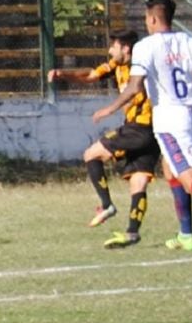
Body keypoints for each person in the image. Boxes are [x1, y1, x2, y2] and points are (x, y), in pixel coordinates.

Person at [93, 0, 192, 251]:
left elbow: (135, 85)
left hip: (168, 122)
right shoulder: (189, 41)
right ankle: (185, 234)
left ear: (151, 18)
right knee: (169, 169)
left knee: (190, 180)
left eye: (146, 19)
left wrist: (111, 107)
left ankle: (186, 232)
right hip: (190, 116)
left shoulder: (146, 47)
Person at [49, 30, 159, 248]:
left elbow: (135, 93)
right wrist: (63, 74)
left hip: (139, 128)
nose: (110, 50)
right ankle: (132, 232)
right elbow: (91, 75)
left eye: (114, 46)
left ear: (125, 48)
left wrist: (109, 110)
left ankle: (107, 205)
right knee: (138, 181)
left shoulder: (141, 66)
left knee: (91, 154)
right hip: (153, 132)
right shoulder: (115, 65)